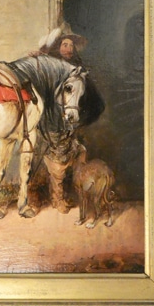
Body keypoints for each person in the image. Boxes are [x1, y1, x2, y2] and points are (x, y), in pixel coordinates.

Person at [34, 27, 89, 214]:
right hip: (51, 118)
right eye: (65, 45)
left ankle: (76, 193)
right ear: (58, 47)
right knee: (56, 160)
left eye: (71, 46)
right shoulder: (50, 65)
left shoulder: (78, 68)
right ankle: (56, 198)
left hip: (70, 119)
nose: (68, 49)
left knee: (78, 153)